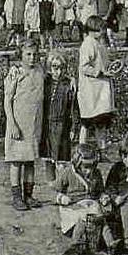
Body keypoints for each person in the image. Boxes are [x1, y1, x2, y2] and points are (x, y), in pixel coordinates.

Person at [4, 40, 45, 211]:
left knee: (30, 160)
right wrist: (12, 123)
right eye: (28, 54)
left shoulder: (40, 71)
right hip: (18, 123)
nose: (32, 57)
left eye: (35, 54)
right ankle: (16, 197)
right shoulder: (16, 72)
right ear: (20, 55)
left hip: (34, 123)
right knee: (16, 161)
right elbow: (7, 100)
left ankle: (28, 195)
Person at [54, 143, 115, 255]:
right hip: (74, 205)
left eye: (92, 166)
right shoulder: (68, 172)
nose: (89, 171)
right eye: (85, 167)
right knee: (81, 220)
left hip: (90, 204)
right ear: (77, 163)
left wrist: (103, 197)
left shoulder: (96, 173)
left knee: (101, 220)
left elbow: (100, 190)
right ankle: (76, 244)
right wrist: (63, 198)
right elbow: (57, 191)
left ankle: (111, 243)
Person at [77, 15, 117, 156]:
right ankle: (81, 152)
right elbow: (84, 67)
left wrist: (110, 67)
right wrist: (99, 73)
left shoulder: (98, 43)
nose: (104, 32)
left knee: (101, 121)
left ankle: (102, 150)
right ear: (94, 30)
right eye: (101, 29)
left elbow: (102, 63)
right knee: (87, 122)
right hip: (91, 91)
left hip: (100, 90)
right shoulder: (88, 44)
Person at [41, 53, 77, 182]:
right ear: (50, 68)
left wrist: (73, 128)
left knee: (62, 160)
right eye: (55, 67)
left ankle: (62, 186)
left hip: (62, 126)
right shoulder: (45, 82)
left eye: (62, 67)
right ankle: (51, 186)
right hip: (47, 126)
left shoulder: (68, 85)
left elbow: (73, 108)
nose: (59, 71)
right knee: (48, 159)